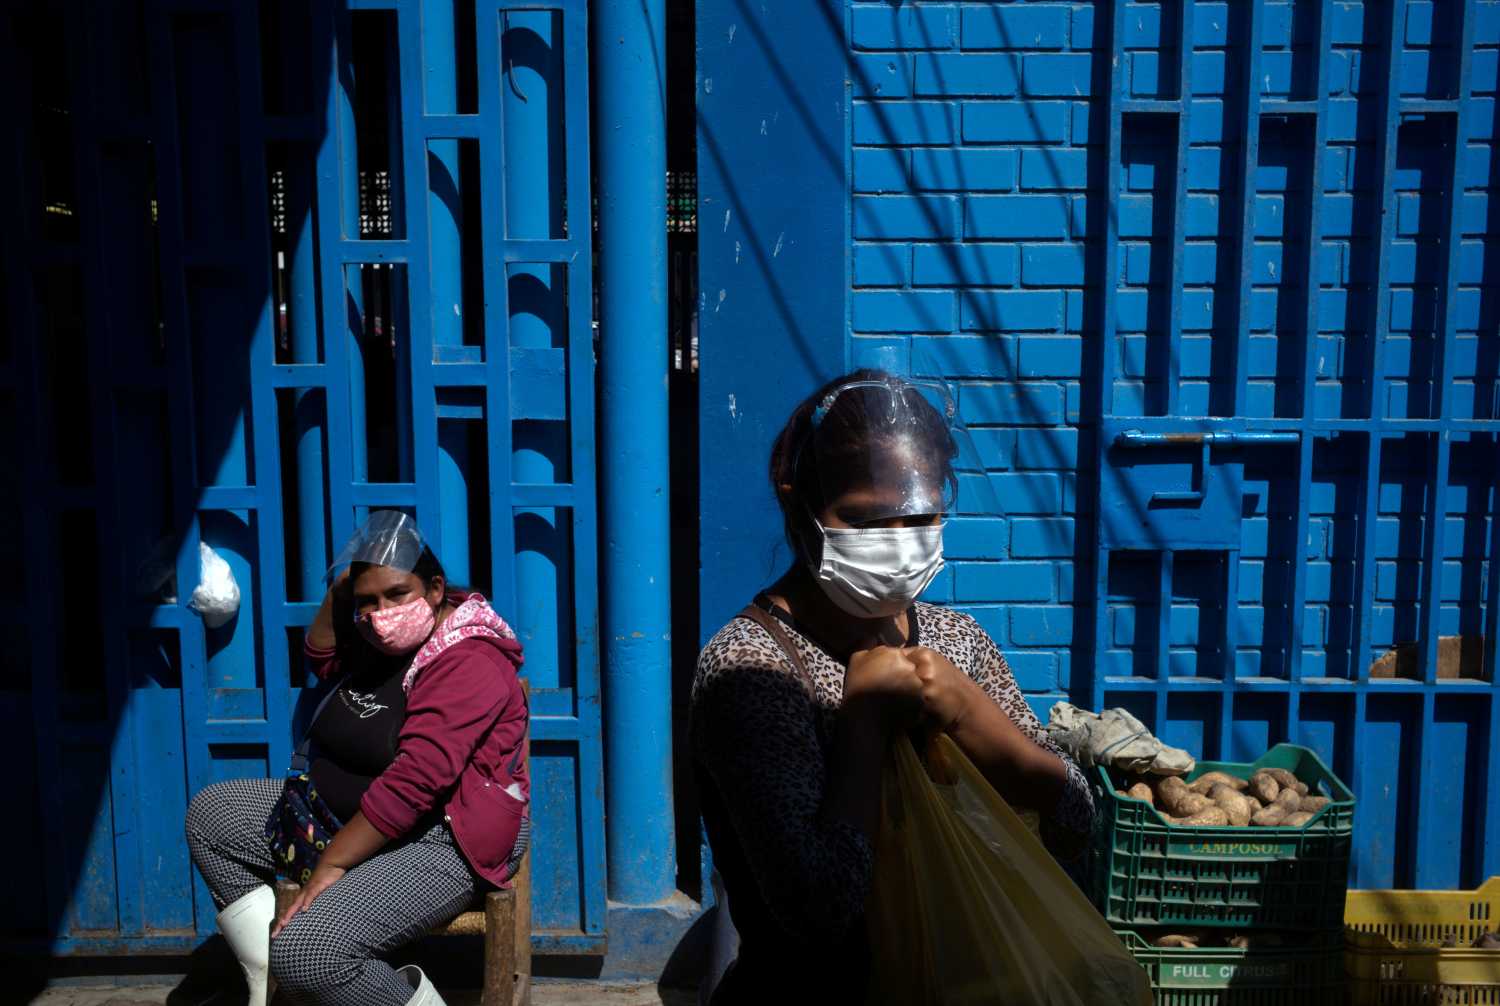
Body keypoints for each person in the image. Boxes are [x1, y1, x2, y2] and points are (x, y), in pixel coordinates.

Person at [690, 371, 1096, 1004]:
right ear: (798, 503)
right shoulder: (752, 670)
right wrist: (865, 727)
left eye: (923, 516)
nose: (899, 545)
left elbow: (1075, 826)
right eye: (866, 520)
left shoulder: (955, 640)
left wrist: (982, 728)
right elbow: (819, 917)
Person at [184, 512, 529, 1006]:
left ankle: (309, 969)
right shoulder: (382, 639)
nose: (381, 612)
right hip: (343, 812)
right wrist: (343, 590)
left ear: (434, 589)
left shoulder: (468, 658)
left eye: (396, 595)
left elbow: (416, 782)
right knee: (213, 816)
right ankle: (270, 981)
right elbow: (322, 655)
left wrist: (332, 864)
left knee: (308, 953)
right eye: (368, 602)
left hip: (446, 836)